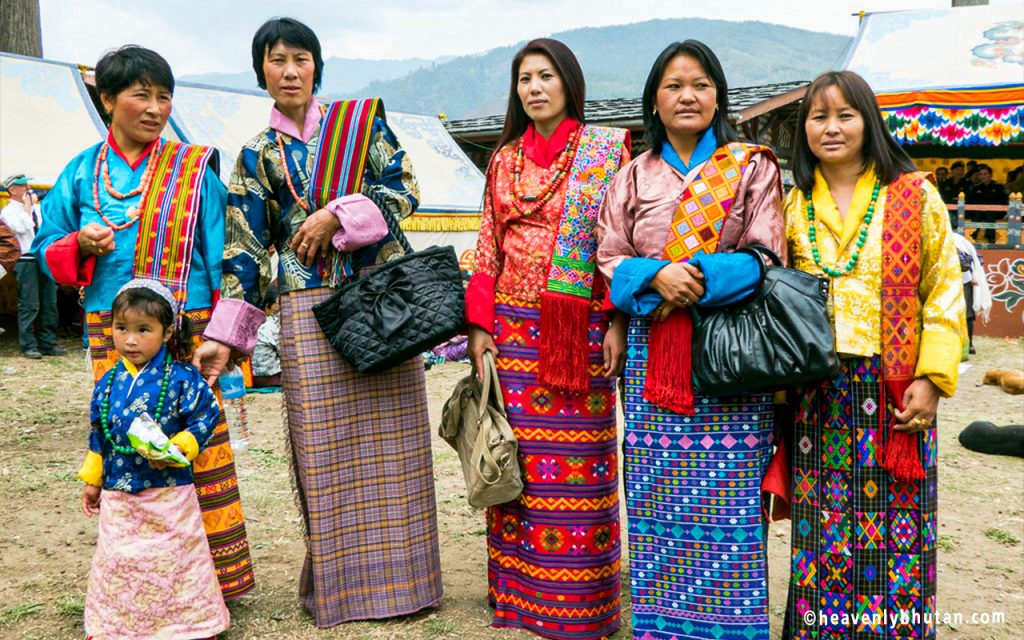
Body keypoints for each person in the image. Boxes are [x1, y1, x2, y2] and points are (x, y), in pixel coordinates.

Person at [192, 17, 442, 627]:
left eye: (300, 59)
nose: (290, 71)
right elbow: (246, 246)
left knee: (395, 445)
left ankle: (407, 586)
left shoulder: (360, 127)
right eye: (276, 61)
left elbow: (404, 186)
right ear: (261, 74)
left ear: (317, 67)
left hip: (382, 302)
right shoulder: (256, 154)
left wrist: (337, 214)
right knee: (323, 449)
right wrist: (227, 338)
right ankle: (342, 590)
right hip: (306, 312)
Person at [31, 45, 255, 600]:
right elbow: (43, 250)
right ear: (107, 99)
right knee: (127, 447)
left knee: (196, 445)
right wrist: (78, 243)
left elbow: (226, 252)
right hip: (114, 330)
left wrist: (220, 333)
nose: (155, 108)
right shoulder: (82, 173)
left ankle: (213, 586)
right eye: (141, 95)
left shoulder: (194, 170)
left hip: (187, 329)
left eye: (163, 96)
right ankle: (141, 582)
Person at [596, 40, 785, 640]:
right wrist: (654, 276)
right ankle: (661, 621)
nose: (687, 95)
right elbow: (608, 254)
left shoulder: (752, 166)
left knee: (731, 493)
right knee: (654, 493)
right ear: (655, 97)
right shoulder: (632, 173)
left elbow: (766, 255)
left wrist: (694, 278)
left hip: (725, 348)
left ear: (718, 96)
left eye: (700, 84)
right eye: (674, 84)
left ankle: (731, 621)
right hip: (653, 354)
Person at [782, 70, 965, 640]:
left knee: (898, 527)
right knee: (822, 526)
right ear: (803, 129)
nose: (831, 128)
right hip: (816, 389)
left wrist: (932, 379)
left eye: (845, 115)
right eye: (818, 117)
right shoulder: (793, 203)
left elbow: (943, 287)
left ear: (869, 121)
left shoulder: (915, 194)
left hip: (894, 389)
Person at [465, 38, 631, 639]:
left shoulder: (606, 151)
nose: (534, 88)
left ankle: (580, 604)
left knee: (581, 467)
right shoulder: (503, 159)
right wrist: (480, 326)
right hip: (511, 333)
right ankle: (517, 598)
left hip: (578, 331)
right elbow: (487, 244)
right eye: (524, 79)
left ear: (569, 83)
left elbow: (617, 243)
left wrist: (615, 318)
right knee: (519, 462)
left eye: (546, 76)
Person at [79, 279, 229, 639]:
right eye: (121, 328)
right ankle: (118, 626)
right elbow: (99, 433)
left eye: (143, 330)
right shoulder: (108, 382)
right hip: (120, 492)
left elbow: (205, 415)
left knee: (177, 559)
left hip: (170, 493)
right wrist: (93, 480)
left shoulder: (182, 379)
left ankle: (191, 625)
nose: (130, 340)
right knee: (119, 558)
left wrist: (180, 446)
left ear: (166, 333)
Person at [2, 174, 62, 358]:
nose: (28, 188)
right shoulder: (8, 211)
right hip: (26, 260)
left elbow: (47, 229)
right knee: (30, 304)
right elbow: (23, 228)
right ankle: (28, 345)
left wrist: (33, 207)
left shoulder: (37, 208)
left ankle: (48, 343)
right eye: (22, 186)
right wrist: (28, 208)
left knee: (49, 302)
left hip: (43, 258)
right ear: (12, 190)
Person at [966, 163, 1008, 243]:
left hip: (995, 212)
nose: (983, 176)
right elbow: (970, 202)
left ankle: (990, 237)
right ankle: (972, 235)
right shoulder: (975, 188)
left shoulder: (998, 187)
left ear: (990, 175)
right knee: (978, 214)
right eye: (981, 174)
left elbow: (1003, 202)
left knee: (989, 213)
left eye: (985, 174)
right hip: (979, 212)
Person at [251, 284, 281, 388]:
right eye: (278, 311)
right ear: (267, 307)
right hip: (270, 377)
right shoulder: (271, 325)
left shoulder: (254, 322)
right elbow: (285, 352)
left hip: (254, 376)